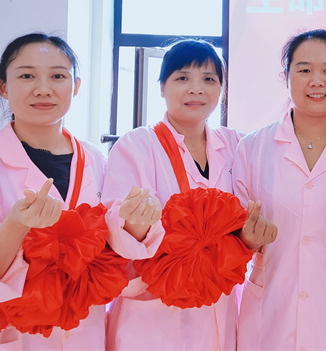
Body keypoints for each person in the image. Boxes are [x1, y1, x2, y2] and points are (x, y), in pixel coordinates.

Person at [0, 33, 108, 350]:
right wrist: (14, 228)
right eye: (27, 76)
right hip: (2, 337)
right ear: (2, 87)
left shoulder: (97, 161)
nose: (43, 88)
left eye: (58, 76)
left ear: (76, 86)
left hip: (84, 333)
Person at [101, 39, 275, 350]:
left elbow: (288, 146)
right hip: (151, 316)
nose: (196, 89)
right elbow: (116, 230)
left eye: (208, 79)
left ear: (221, 89)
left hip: (217, 307)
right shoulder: (137, 145)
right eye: (182, 78)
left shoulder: (237, 144)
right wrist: (135, 222)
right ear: (162, 87)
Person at [233, 29, 326, 350]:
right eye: (304, 70)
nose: (317, 81)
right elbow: (230, 241)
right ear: (286, 76)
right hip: (271, 316)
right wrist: (247, 239)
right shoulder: (253, 148)